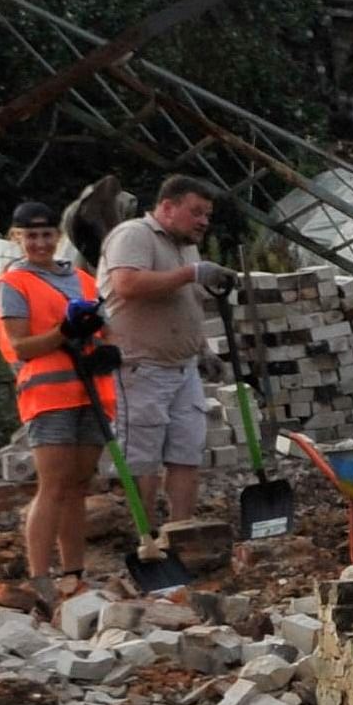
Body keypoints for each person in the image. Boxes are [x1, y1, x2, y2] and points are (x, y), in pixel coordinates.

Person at [0, 202, 118, 595]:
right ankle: (39, 575)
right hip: (48, 394)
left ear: (57, 237)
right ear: (18, 239)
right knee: (53, 485)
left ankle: (74, 572)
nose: (40, 243)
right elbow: (21, 345)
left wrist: (107, 348)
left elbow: (105, 326)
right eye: (31, 236)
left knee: (79, 485)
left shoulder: (82, 279)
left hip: (91, 391)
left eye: (47, 235)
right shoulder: (14, 284)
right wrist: (64, 331)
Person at [96, 175, 234, 526]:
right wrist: (190, 273)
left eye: (208, 215)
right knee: (143, 459)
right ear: (168, 207)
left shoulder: (186, 245)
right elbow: (127, 284)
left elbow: (187, 304)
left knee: (186, 453)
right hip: (141, 367)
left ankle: (181, 530)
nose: (204, 221)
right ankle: (147, 536)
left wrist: (203, 350)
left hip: (183, 367)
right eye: (196, 212)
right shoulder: (133, 235)